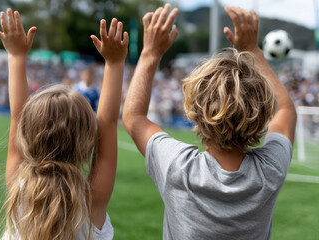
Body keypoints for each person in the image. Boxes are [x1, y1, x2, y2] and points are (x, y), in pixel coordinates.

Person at [123, 4, 296, 240]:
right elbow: (285, 109)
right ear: (263, 114)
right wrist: (252, 51)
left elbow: (133, 117)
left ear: (195, 112)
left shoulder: (178, 168)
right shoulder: (271, 169)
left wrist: (150, 53)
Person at [0, 9, 128, 240]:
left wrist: (15, 56)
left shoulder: (18, 186)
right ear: (87, 139)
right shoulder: (92, 199)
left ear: (26, 135)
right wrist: (115, 63)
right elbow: (108, 122)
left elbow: (17, 115)